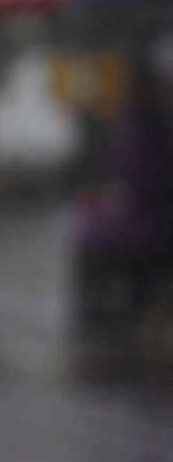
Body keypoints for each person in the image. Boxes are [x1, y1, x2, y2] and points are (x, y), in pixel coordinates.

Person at [74, 42, 173, 325]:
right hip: (149, 229)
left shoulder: (134, 123)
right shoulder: (146, 126)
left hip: (137, 226)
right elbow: (151, 180)